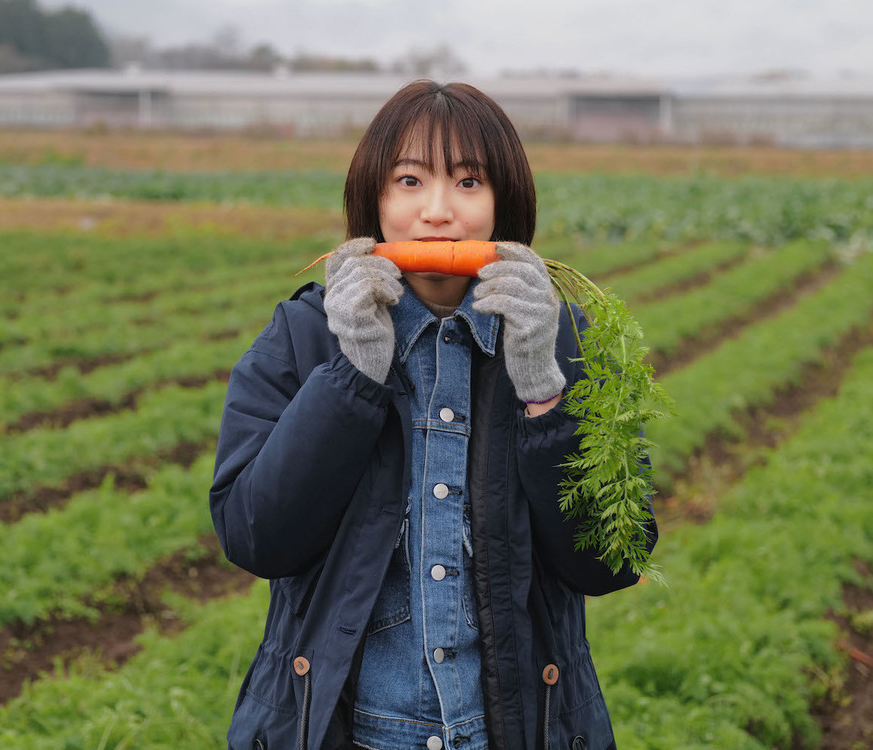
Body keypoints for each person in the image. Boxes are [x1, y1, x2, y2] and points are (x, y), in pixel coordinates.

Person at [209, 80, 657, 750]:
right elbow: (255, 537)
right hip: (342, 729)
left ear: (504, 201)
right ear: (375, 200)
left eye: (469, 182)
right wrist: (351, 375)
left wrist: (542, 389)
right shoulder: (305, 337)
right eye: (410, 181)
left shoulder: (567, 342)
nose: (438, 212)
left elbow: (608, 562)